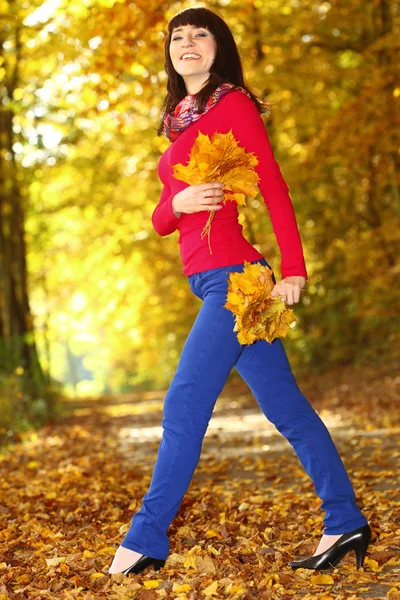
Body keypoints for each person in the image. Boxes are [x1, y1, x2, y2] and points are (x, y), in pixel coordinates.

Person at [108, 7, 371, 576]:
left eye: (200, 34)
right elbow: (161, 221)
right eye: (178, 37)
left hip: (235, 280)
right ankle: (345, 519)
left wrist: (294, 267)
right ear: (171, 55)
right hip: (209, 279)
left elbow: (273, 183)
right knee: (288, 409)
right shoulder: (176, 120)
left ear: (218, 47)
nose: (188, 43)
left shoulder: (233, 104)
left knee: (183, 404)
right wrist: (173, 204)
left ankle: (146, 538)